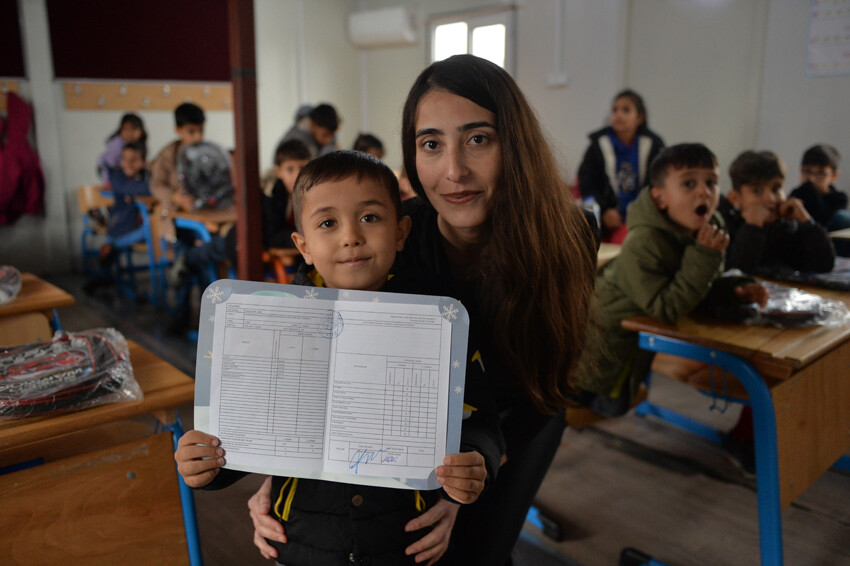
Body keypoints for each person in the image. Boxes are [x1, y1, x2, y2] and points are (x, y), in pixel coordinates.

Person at [248, 54, 599, 566]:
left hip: (521, 412)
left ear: (514, 145)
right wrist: (282, 472)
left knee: (479, 551)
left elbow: (546, 381)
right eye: (431, 144)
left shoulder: (569, 235)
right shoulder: (391, 234)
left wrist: (469, 474)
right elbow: (319, 343)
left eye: (478, 139)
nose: (453, 170)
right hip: (408, 426)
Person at [175, 150, 504, 566]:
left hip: (405, 543)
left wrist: (477, 462)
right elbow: (244, 436)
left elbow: (481, 420)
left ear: (402, 232)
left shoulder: (440, 325)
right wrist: (206, 465)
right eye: (328, 223)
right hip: (301, 543)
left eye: (370, 217)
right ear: (303, 245)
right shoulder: (264, 328)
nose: (351, 236)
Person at [574, 143, 767, 416]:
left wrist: (734, 290)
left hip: (631, 349)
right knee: (609, 407)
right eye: (689, 183)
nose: (704, 191)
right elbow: (667, 308)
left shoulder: (704, 230)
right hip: (599, 362)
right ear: (660, 198)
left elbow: (698, 286)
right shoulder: (644, 243)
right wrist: (705, 256)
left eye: (712, 182)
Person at [719, 150, 835, 275]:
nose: (771, 198)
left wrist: (806, 220)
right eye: (757, 191)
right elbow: (738, 271)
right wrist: (752, 226)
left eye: (776, 188)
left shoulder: (786, 227)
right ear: (735, 198)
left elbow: (824, 264)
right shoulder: (726, 227)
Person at [577, 89, 665, 242]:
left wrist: (641, 211)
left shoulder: (654, 145)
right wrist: (604, 211)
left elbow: (660, 183)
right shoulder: (598, 145)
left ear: (640, 117)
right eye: (614, 110)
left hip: (644, 217)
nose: (618, 115)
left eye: (626, 110)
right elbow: (587, 183)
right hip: (606, 219)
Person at [83, 141, 152, 294]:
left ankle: (107, 261)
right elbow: (139, 188)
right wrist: (149, 189)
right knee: (146, 230)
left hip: (138, 229)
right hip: (121, 227)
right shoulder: (118, 177)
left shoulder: (148, 177)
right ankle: (104, 272)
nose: (128, 164)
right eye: (125, 159)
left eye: (134, 160)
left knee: (149, 228)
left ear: (144, 162)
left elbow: (151, 187)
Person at [150, 102, 206, 229]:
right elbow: (156, 185)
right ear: (178, 130)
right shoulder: (168, 155)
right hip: (175, 215)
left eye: (201, 130)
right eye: (191, 132)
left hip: (202, 212)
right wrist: (174, 197)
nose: (198, 136)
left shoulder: (208, 154)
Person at [789, 144, 850, 235]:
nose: (812, 178)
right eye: (807, 172)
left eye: (821, 173)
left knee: (843, 217)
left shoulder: (839, 198)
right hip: (801, 243)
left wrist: (812, 192)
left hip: (828, 244)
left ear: (834, 176)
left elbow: (823, 221)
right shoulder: (797, 194)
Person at [262, 139, 311, 249]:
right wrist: (307, 237)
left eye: (303, 168)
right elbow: (273, 237)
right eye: (290, 169)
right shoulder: (270, 194)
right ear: (278, 172)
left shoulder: (314, 191)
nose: (298, 175)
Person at [96, 113, 146, 184]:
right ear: (120, 130)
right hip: (107, 168)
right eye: (126, 129)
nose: (130, 133)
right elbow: (110, 164)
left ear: (142, 131)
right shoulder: (116, 144)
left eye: (134, 129)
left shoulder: (140, 144)